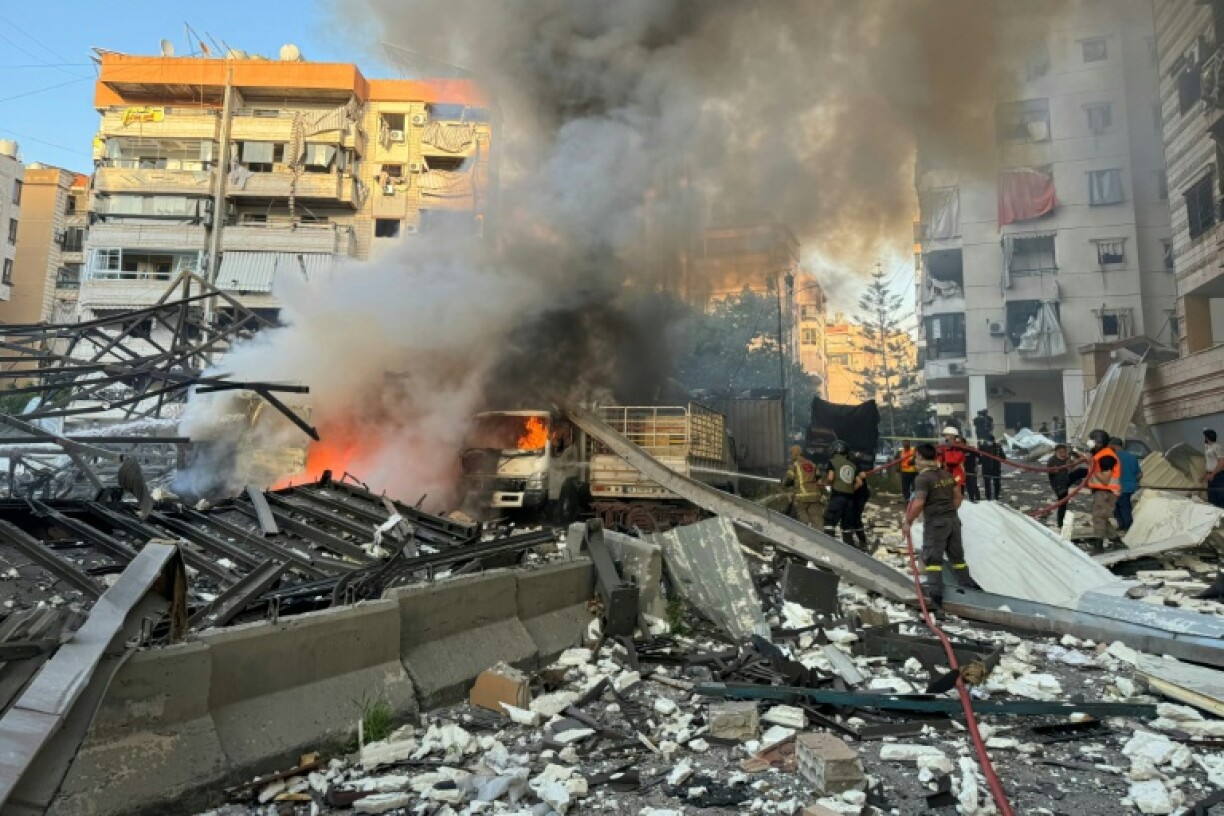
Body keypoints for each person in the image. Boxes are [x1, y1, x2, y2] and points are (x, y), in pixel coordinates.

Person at [902, 443, 979, 608]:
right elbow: (958, 497)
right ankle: (969, 590)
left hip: (936, 524)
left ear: (921, 458)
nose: (915, 460)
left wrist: (908, 522)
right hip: (953, 521)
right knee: (957, 558)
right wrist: (949, 511)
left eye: (917, 457)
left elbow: (918, 503)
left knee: (933, 560)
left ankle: (936, 600)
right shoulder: (946, 474)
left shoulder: (922, 478)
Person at [1085, 428, 1121, 550]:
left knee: (1098, 517)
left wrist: (1091, 464)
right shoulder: (1098, 454)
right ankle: (1117, 541)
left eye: (1093, 440)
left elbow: (1105, 479)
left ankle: (1098, 545)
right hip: (1100, 491)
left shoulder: (1106, 457)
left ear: (1099, 442)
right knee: (1102, 517)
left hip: (1106, 491)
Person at [822, 441, 862, 546]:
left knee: (829, 523)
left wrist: (828, 484)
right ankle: (849, 550)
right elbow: (859, 482)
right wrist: (851, 489)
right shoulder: (852, 465)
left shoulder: (833, 462)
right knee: (847, 526)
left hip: (837, 497)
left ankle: (828, 546)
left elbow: (830, 477)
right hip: (850, 499)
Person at [780, 444, 823, 526]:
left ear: (794, 454)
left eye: (791, 453)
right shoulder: (812, 464)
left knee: (801, 517)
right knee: (816, 520)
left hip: (801, 496)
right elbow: (818, 479)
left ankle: (806, 530)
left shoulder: (794, 465)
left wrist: (784, 483)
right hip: (815, 496)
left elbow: (788, 480)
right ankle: (818, 536)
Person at [1047, 443, 1087, 530]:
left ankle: (1093, 474)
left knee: (1081, 471)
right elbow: (1051, 472)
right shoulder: (1052, 460)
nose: (1062, 453)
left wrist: (1077, 459)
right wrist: (1059, 468)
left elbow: (1073, 465)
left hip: (1066, 479)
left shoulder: (1067, 458)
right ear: (1056, 452)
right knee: (1063, 503)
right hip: (1058, 484)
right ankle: (1060, 524)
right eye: (1060, 452)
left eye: (1064, 452)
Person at [1110, 437, 1141, 534]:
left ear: (1113, 445)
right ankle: (1125, 526)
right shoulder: (1132, 457)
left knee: (1119, 508)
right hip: (1131, 487)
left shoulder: (1113, 458)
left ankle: (1126, 527)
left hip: (1118, 487)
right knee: (1126, 507)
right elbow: (1139, 474)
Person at [848, 458, 871, 550]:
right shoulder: (854, 464)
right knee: (854, 519)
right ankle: (861, 541)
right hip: (860, 495)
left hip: (859, 495)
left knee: (855, 519)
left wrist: (848, 491)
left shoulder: (851, 466)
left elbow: (860, 482)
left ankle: (862, 542)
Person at [979, 434, 1005, 501]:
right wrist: (981, 461)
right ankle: (988, 498)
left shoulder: (998, 447)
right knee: (987, 484)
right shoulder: (982, 447)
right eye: (988, 440)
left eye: (990, 441)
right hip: (986, 469)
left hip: (996, 469)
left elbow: (1003, 457)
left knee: (997, 483)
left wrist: (999, 458)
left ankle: (996, 497)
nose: (989, 442)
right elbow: (979, 455)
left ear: (993, 441)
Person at [1205, 429, 1224, 510]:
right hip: (1210, 475)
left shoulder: (1217, 447)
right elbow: (1208, 462)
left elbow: (1221, 462)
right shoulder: (1208, 447)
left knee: (1220, 496)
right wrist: (1204, 475)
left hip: (1218, 475)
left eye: (1205, 436)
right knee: (1212, 497)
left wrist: (1213, 474)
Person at [960, 436, 981, 502]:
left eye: (961, 443)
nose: (960, 444)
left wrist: (977, 464)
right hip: (964, 471)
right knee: (968, 486)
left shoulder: (970, 449)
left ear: (964, 443)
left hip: (972, 470)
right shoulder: (960, 451)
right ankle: (971, 499)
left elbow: (979, 455)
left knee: (974, 485)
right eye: (959, 443)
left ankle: (978, 499)